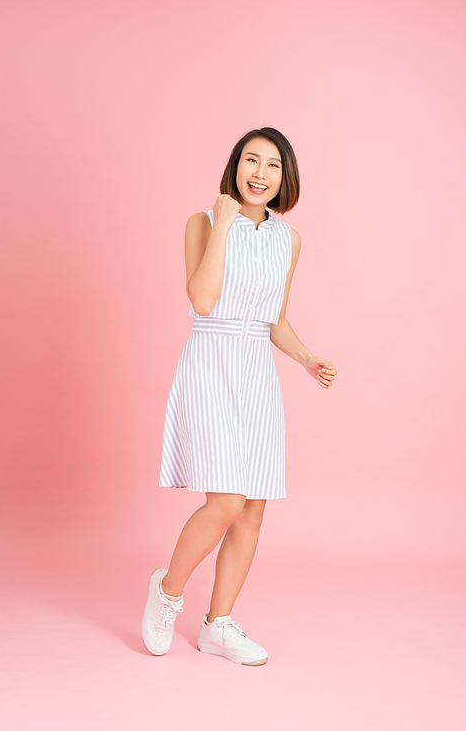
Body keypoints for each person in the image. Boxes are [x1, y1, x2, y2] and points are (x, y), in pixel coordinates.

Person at [142, 126, 337, 666]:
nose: (260, 174)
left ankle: (216, 626)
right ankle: (167, 593)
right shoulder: (202, 223)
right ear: (234, 167)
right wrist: (223, 225)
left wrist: (305, 357)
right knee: (224, 501)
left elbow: (272, 315)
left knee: (252, 509)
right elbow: (203, 300)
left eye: (272, 165)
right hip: (210, 363)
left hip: (257, 371)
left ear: (285, 177)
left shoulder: (289, 240)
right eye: (251, 161)